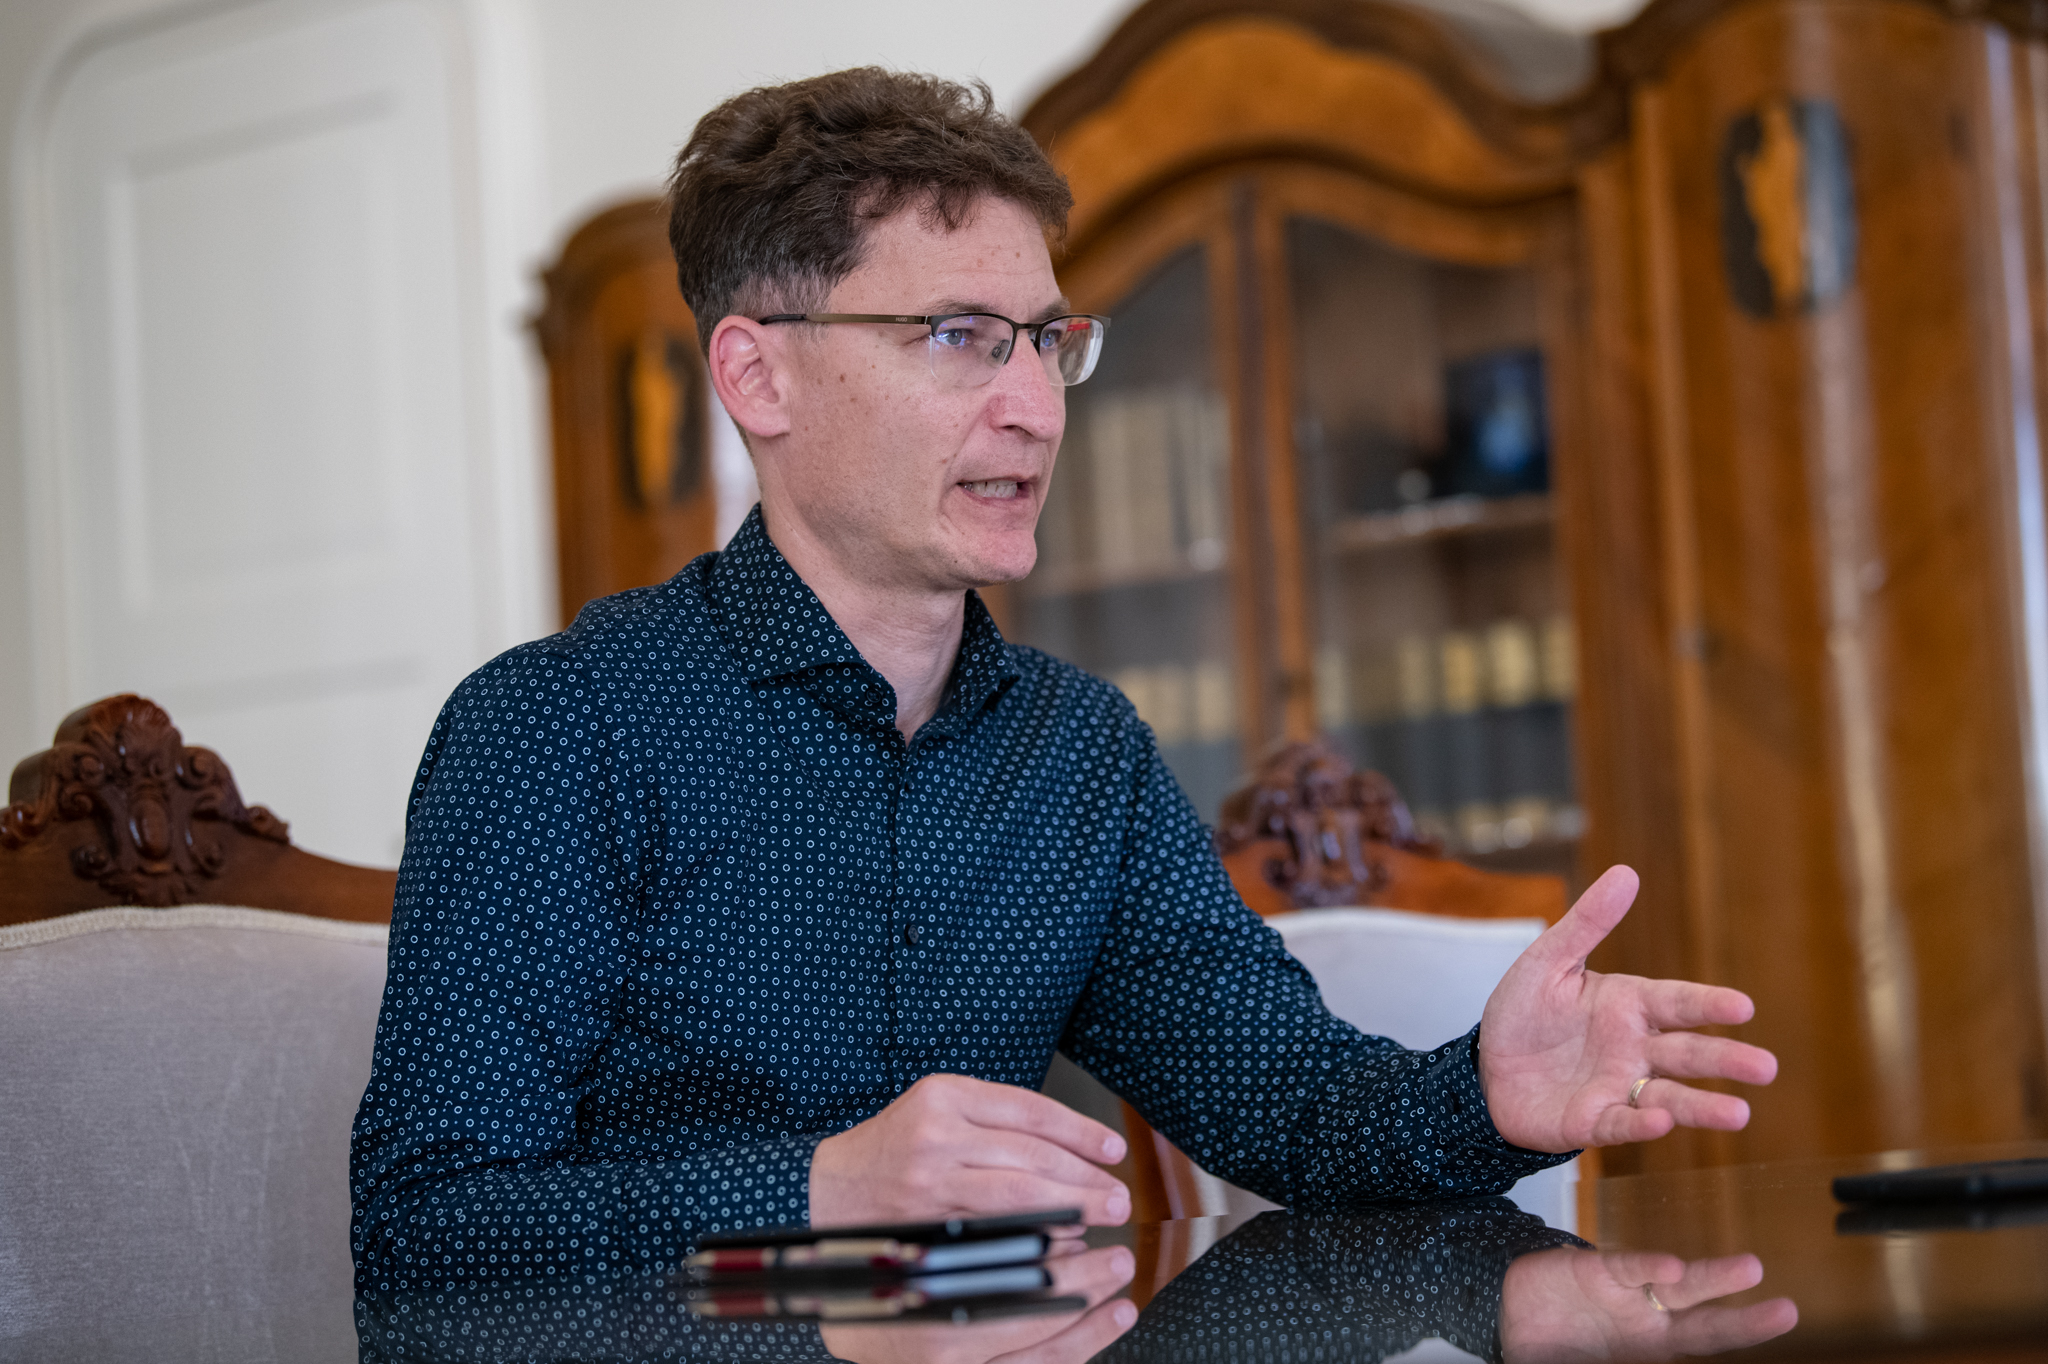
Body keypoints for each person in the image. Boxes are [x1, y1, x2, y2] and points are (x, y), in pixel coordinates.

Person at [349, 68, 1777, 1300]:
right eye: (958, 336)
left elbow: (1295, 1108)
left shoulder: (1077, 748)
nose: (1034, 407)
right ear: (758, 376)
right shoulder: (553, 730)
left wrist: (1486, 1094)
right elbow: (421, 1235)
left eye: (1046, 340)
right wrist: (820, 1192)